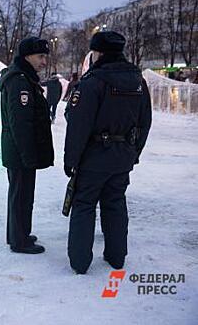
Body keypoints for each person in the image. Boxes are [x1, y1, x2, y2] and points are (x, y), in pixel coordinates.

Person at [64, 31, 152, 274]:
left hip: (93, 158)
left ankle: (80, 262)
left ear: (98, 53)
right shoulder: (138, 82)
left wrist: (70, 160)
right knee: (115, 203)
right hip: (122, 157)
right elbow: (145, 121)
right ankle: (116, 257)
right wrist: (134, 152)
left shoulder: (92, 83)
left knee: (83, 205)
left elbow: (78, 126)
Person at [0, 37, 54, 254]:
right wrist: (28, 154)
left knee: (22, 194)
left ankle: (19, 233)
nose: (44, 61)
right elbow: (20, 123)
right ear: (27, 56)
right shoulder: (20, 81)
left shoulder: (24, 79)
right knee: (21, 195)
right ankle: (19, 240)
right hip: (20, 152)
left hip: (21, 151)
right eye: (40, 56)